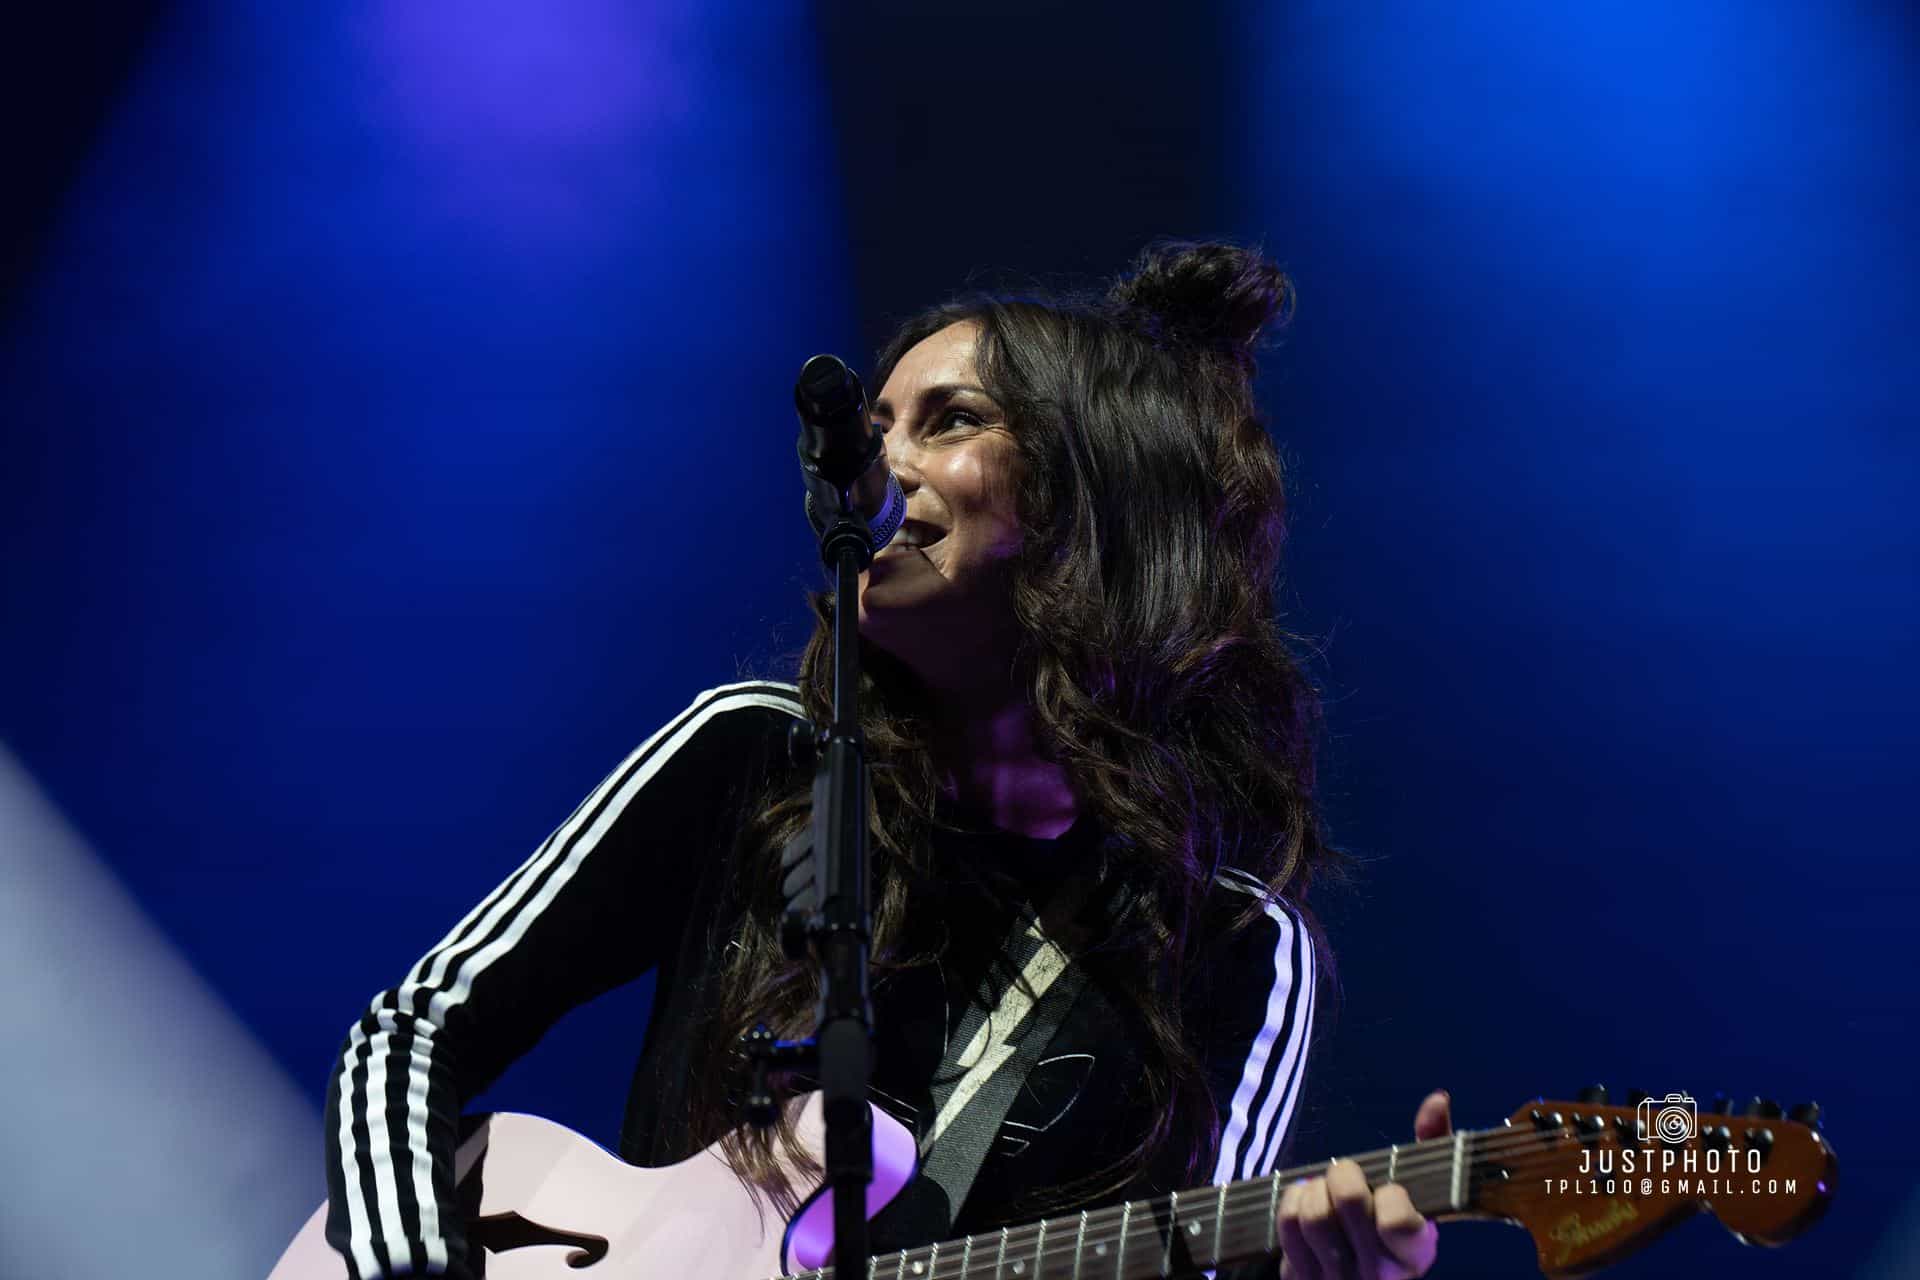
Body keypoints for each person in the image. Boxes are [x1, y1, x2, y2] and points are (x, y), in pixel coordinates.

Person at [322, 240, 1446, 1280]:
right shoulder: (755, 756)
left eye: (948, 421)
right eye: (874, 430)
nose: (878, 466)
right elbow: (413, 1033)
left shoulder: (1230, 944)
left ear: (1089, 496)